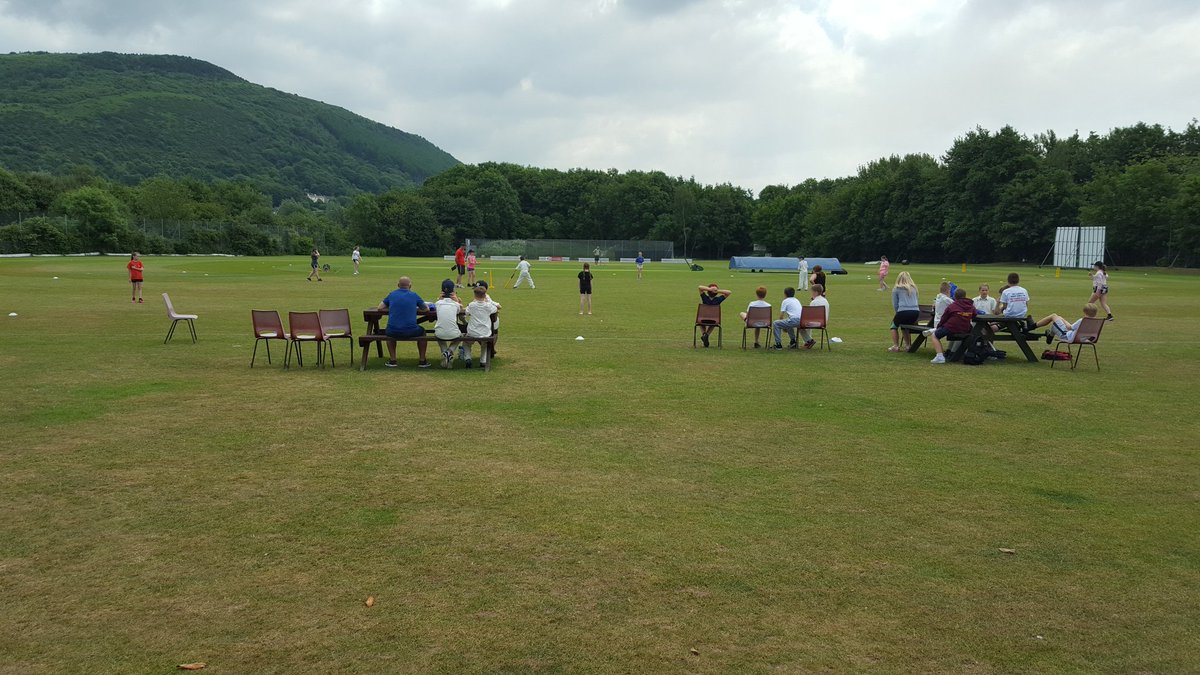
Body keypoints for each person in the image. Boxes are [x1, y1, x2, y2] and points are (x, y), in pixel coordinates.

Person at [377, 276, 430, 368]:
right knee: (423, 332)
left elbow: (380, 307)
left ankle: (393, 360)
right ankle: (422, 360)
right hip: (411, 330)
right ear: (410, 286)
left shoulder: (392, 294)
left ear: (398, 285)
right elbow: (426, 309)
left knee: (389, 332)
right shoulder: (414, 295)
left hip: (393, 330)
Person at [924, 288, 978, 364]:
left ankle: (940, 356)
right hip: (965, 329)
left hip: (951, 327)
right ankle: (949, 353)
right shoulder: (971, 306)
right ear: (965, 296)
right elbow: (974, 314)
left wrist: (939, 327)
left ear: (955, 297)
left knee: (935, 335)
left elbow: (944, 318)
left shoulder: (952, 306)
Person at [465, 285, 500, 369]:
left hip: (472, 332)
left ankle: (467, 358)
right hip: (485, 332)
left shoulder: (471, 305)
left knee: (466, 342)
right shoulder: (488, 306)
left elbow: (466, 312)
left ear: (474, 295)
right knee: (485, 343)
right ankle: (483, 360)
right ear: (485, 295)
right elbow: (496, 309)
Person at [433, 279, 465, 368]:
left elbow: (437, 305)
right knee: (462, 334)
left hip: (439, 333)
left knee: (439, 334)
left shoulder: (438, 303)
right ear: (453, 290)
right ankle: (449, 351)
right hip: (454, 333)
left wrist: (439, 299)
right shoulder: (456, 304)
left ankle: (444, 352)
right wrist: (457, 301)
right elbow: (461, 311)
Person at [1032, 303, 1099, 344]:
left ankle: (1032, 326)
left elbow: (1070, 327)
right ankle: (1050, 335)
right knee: (1056, 322)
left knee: (1054, 316)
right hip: (1083, 339)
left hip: (1068, 337)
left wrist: (1063, 319)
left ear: (1084, 312)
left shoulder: (1083, 320)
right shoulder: (1097, 322)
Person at [889, 271, 920, 352]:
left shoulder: (896, 289)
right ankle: (908, 346)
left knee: (893, 326)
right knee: (905, 326)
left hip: (903, 311)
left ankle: (896, 346)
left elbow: (895, 304)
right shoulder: (914, 288)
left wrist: (897, 313)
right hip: (915, 312)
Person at [697, 283, 731, 348]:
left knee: (700, 322)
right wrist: (717, 290)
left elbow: (700, 287)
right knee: (714, 323)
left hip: (702, 319)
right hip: (714, 320)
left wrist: (710, 289)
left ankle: (704, 334)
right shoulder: (718, 299)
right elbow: (729, 292)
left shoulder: (704, 298)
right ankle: (707, 335)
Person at [798, 283, 829, 349]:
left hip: (817, 322)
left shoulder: (814, 302)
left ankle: (809, 341)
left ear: (815, 292)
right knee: (807, 324)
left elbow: (810, 315)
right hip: (824, 322)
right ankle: (808, 341)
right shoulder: (825, 300)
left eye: (812, 292)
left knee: (800, 325)